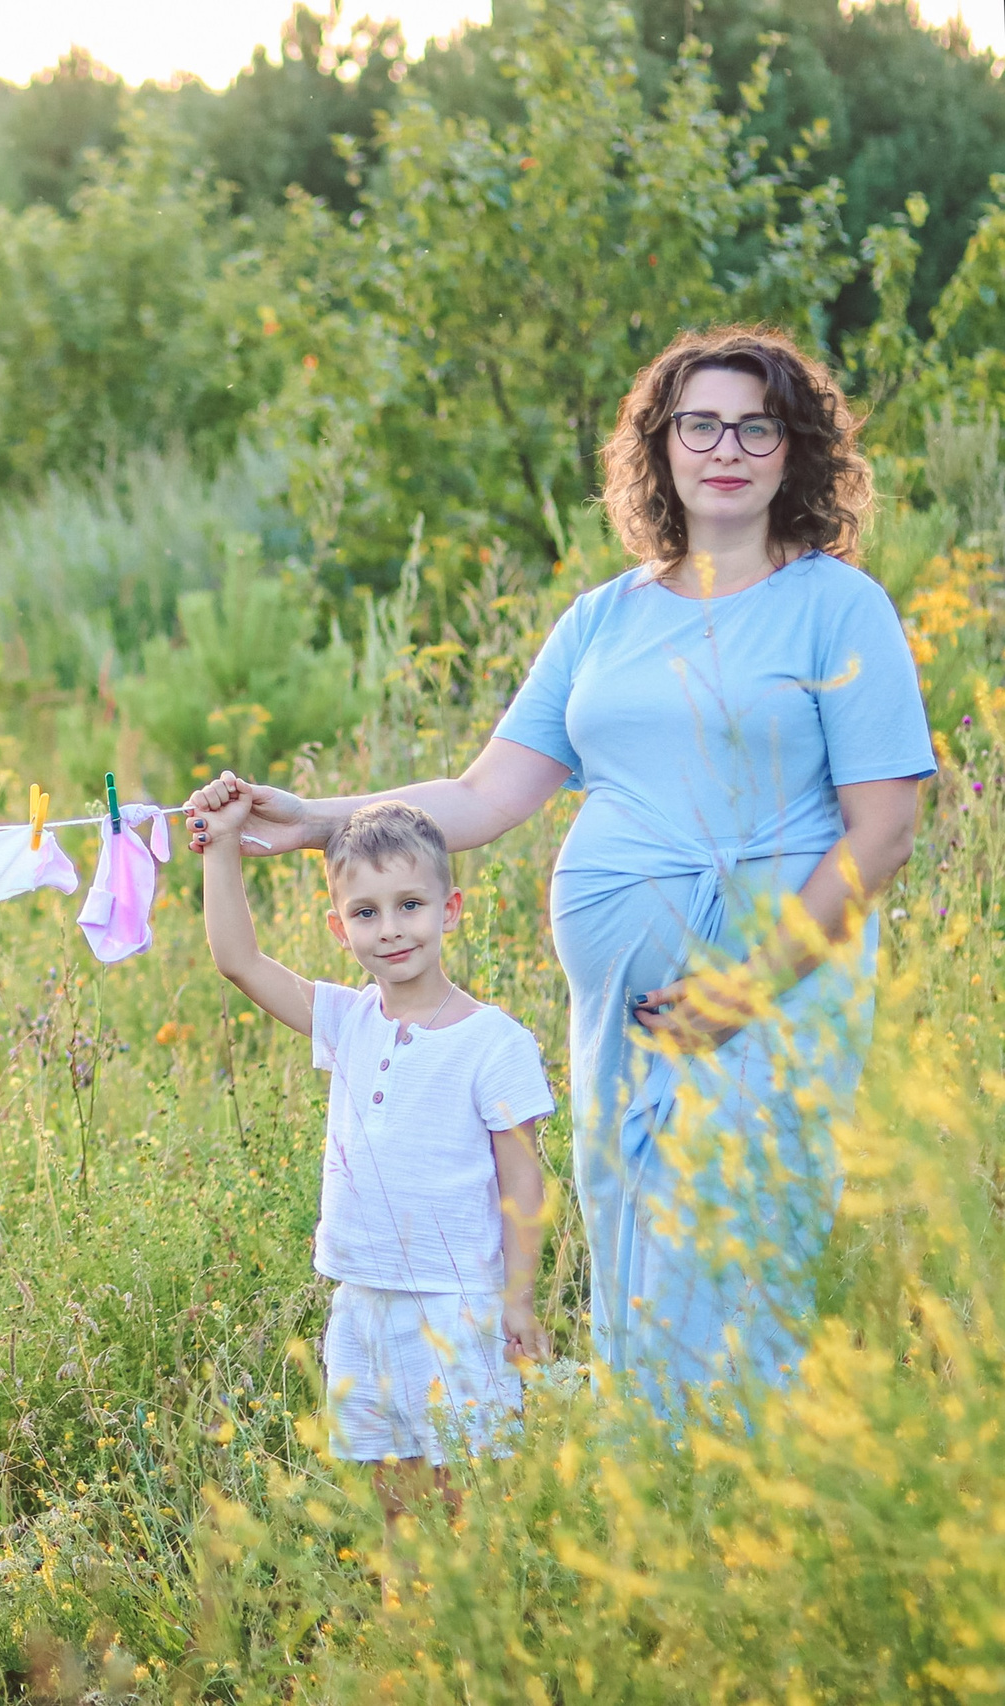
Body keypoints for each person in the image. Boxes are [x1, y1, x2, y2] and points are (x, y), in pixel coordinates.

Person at [188, 324, 934, 1401]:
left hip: (769, 990)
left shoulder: (836, 606)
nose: (726, 447)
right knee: (634, 1239)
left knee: (738, 1239)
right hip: (621, 1014)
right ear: (662, 447)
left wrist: (747, 984)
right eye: (699, 425)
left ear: (793, 450)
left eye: (755, 426)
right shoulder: (603, 620)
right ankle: (657, 1480)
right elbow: (484, 794)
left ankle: (741, 1488)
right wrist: (310, 818)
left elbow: (885, 829)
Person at [199, 795, 553, 1522]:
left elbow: (524, 1182)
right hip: (363, 1303)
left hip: (457, 1310)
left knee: (464, 1508)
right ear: (338, 927)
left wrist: (517, 1298)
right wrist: (221, 846)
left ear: (450, 910)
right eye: (366, 913)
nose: (390, 930)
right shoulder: (348, 1019)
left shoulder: (495, 1043)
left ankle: (469, 1634)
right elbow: (237, 961)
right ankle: (407, 1630)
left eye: (411, 905)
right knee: (396, 1506)